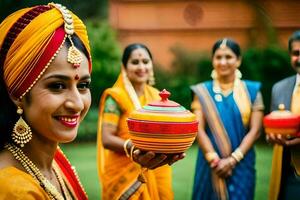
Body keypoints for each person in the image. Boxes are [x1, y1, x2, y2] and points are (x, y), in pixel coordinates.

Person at [0, 3, 92, 199]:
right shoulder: (13, 189)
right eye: (58, 86)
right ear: (18, 94)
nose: (77, 103)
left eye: (83, 85)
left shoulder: (52, 162)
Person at [96, 43, 183, 200]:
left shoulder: (157, 96)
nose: (141, 66)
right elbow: (106, 139)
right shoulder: (115, 97)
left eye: (145, 61)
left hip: (158, 167)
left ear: (151, 64)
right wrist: (136, 147)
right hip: (125, 171)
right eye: (135, 62)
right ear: (124, 67)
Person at [190, 38, 264, 200]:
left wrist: (233, 159)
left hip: (241, 163)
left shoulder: (252, 91)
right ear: (212, 60)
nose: (223, 62)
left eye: (228, 57)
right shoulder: (202, 91)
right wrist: (215, 160)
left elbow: (256, 130)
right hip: (210, 164)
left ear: (238, 60)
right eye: (218, 57)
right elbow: (198, 129)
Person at [267, 30, 300, 200]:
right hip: (289, 174)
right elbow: (272, 127)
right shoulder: (279, 88)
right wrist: (271, 136)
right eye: (296, 53)